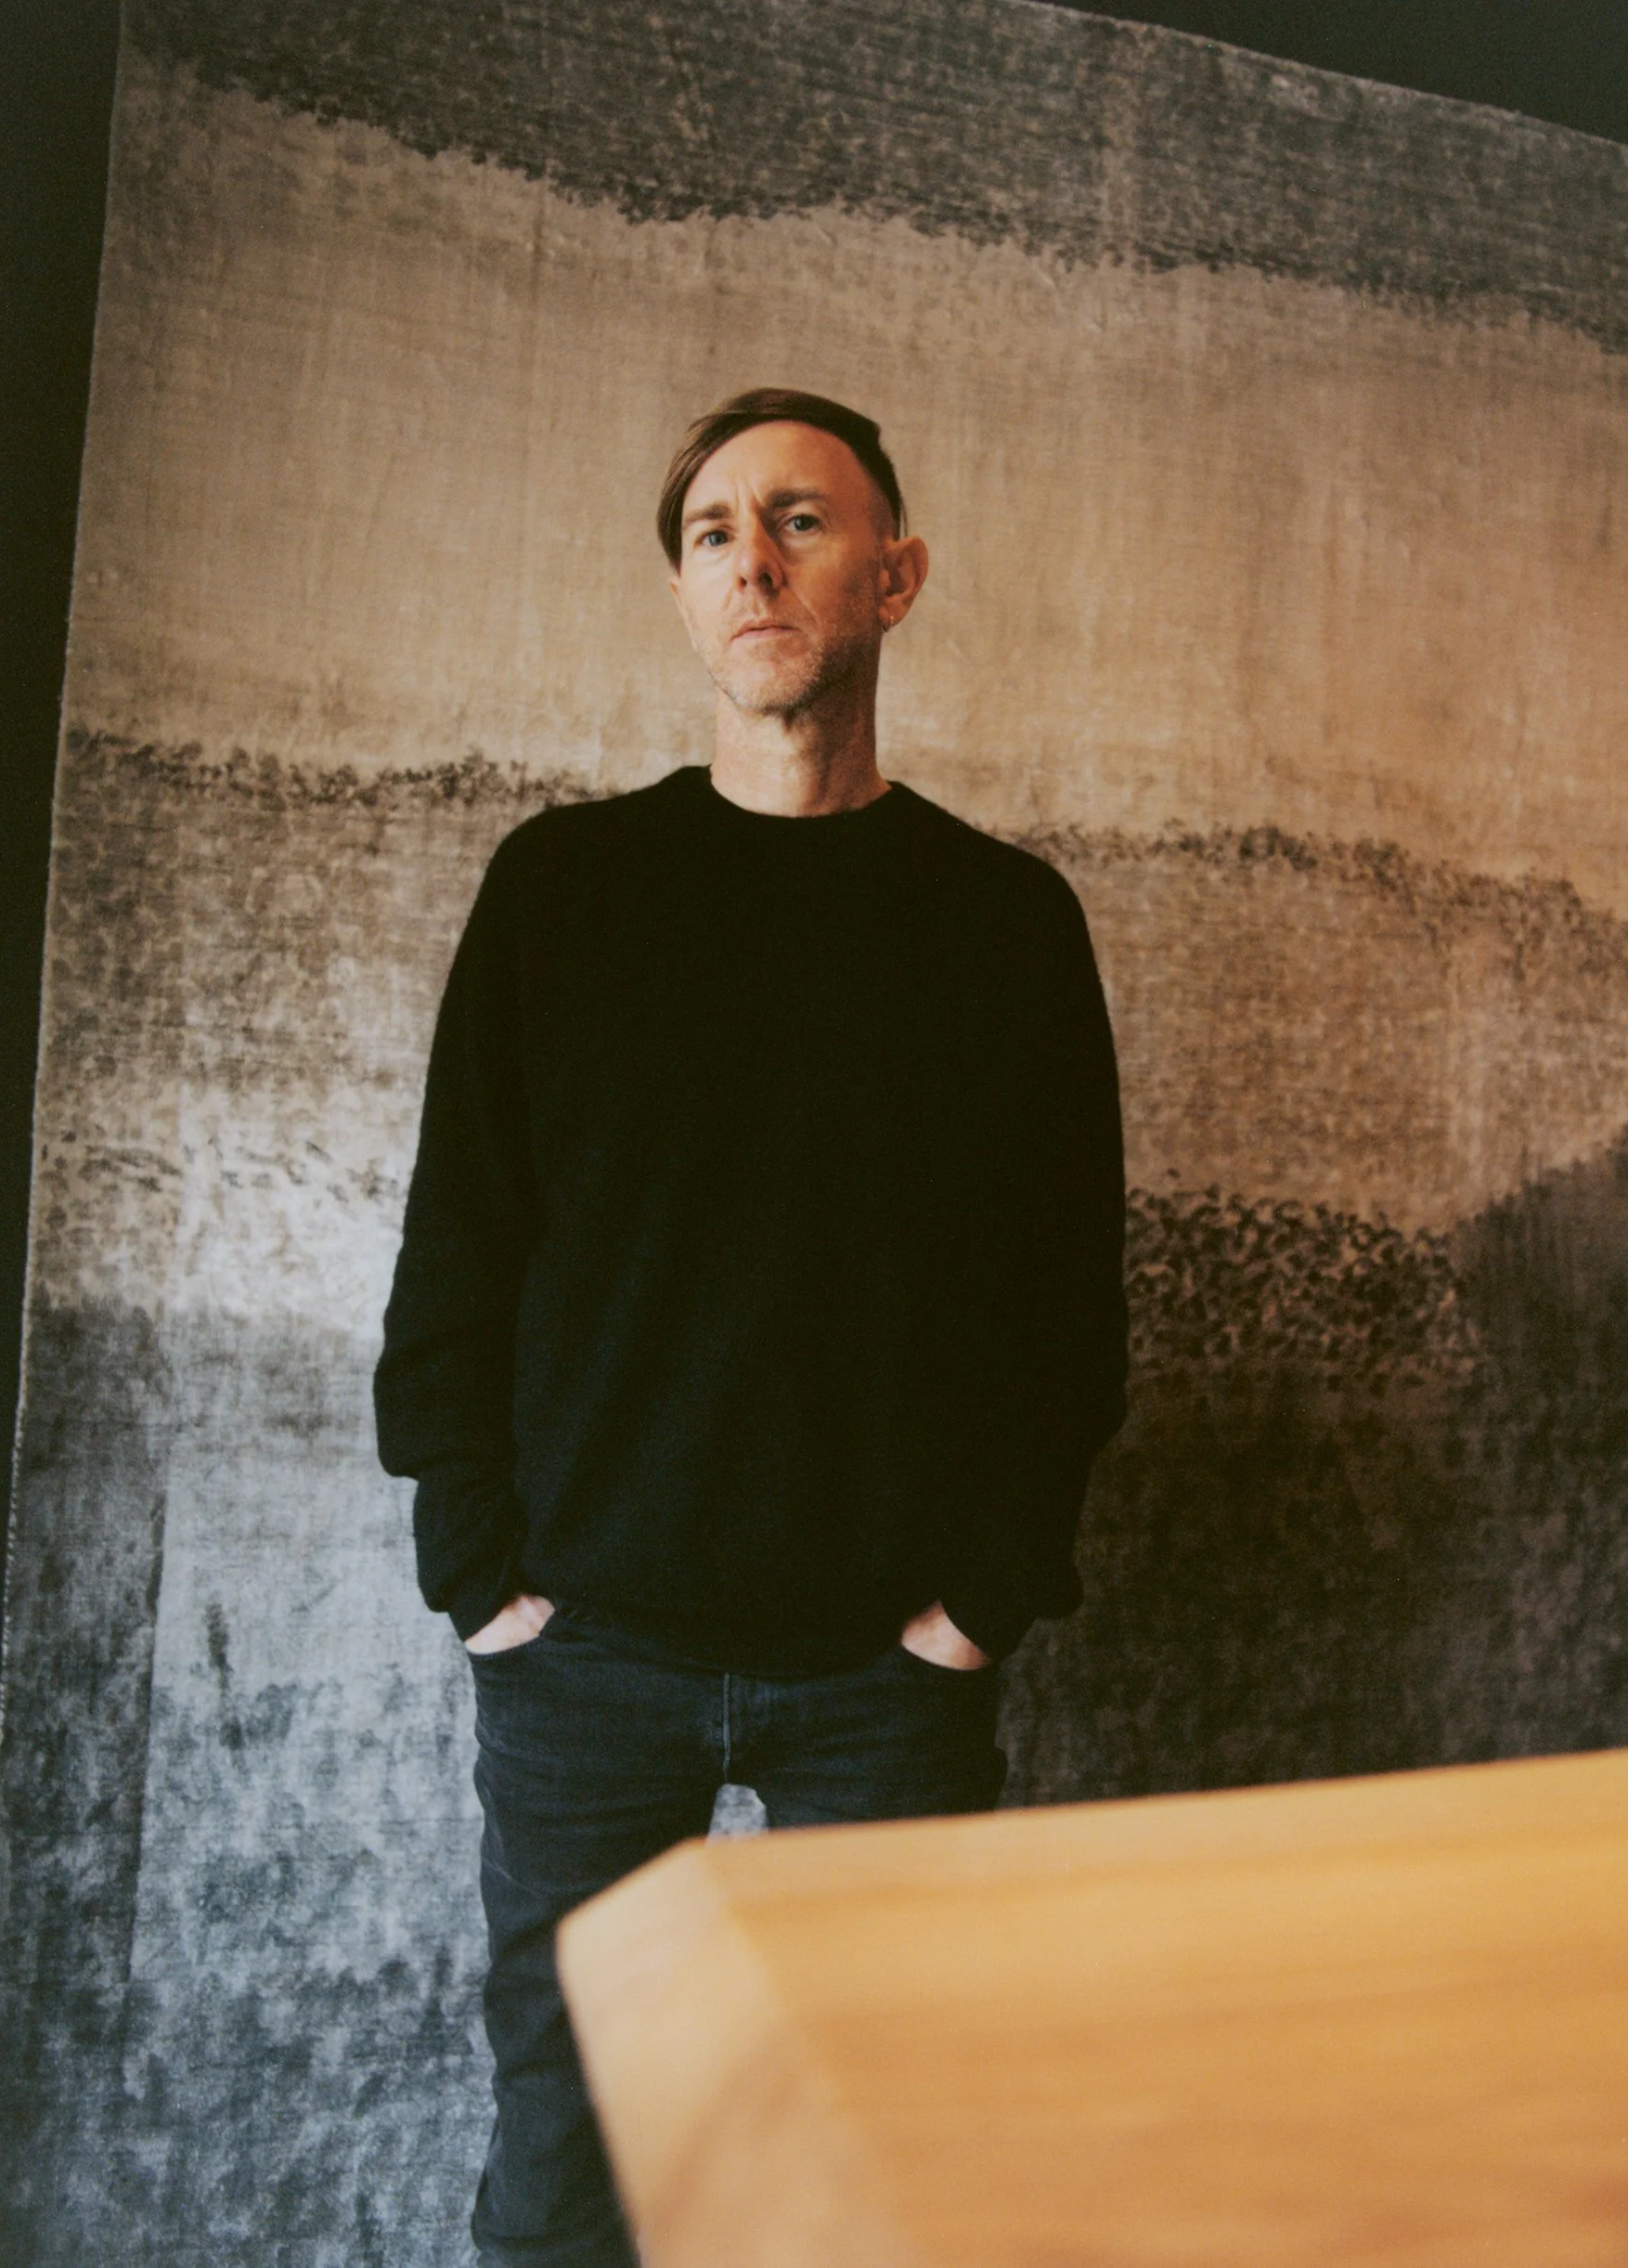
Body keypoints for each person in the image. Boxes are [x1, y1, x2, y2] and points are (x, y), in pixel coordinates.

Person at [374, 386, 1128, 2267]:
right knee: (566, 2175)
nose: (753, 562)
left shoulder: (1006, 923)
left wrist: (977, 1607)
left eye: (801, 520)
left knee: (876, 2185)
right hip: (583, 1655)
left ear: (896, 575)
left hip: (886, 1678)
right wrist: (482, 1576)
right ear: (682, 595)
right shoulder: (563, 891)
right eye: (714, 533)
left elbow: (1063, 1308)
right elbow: (457, 1258)